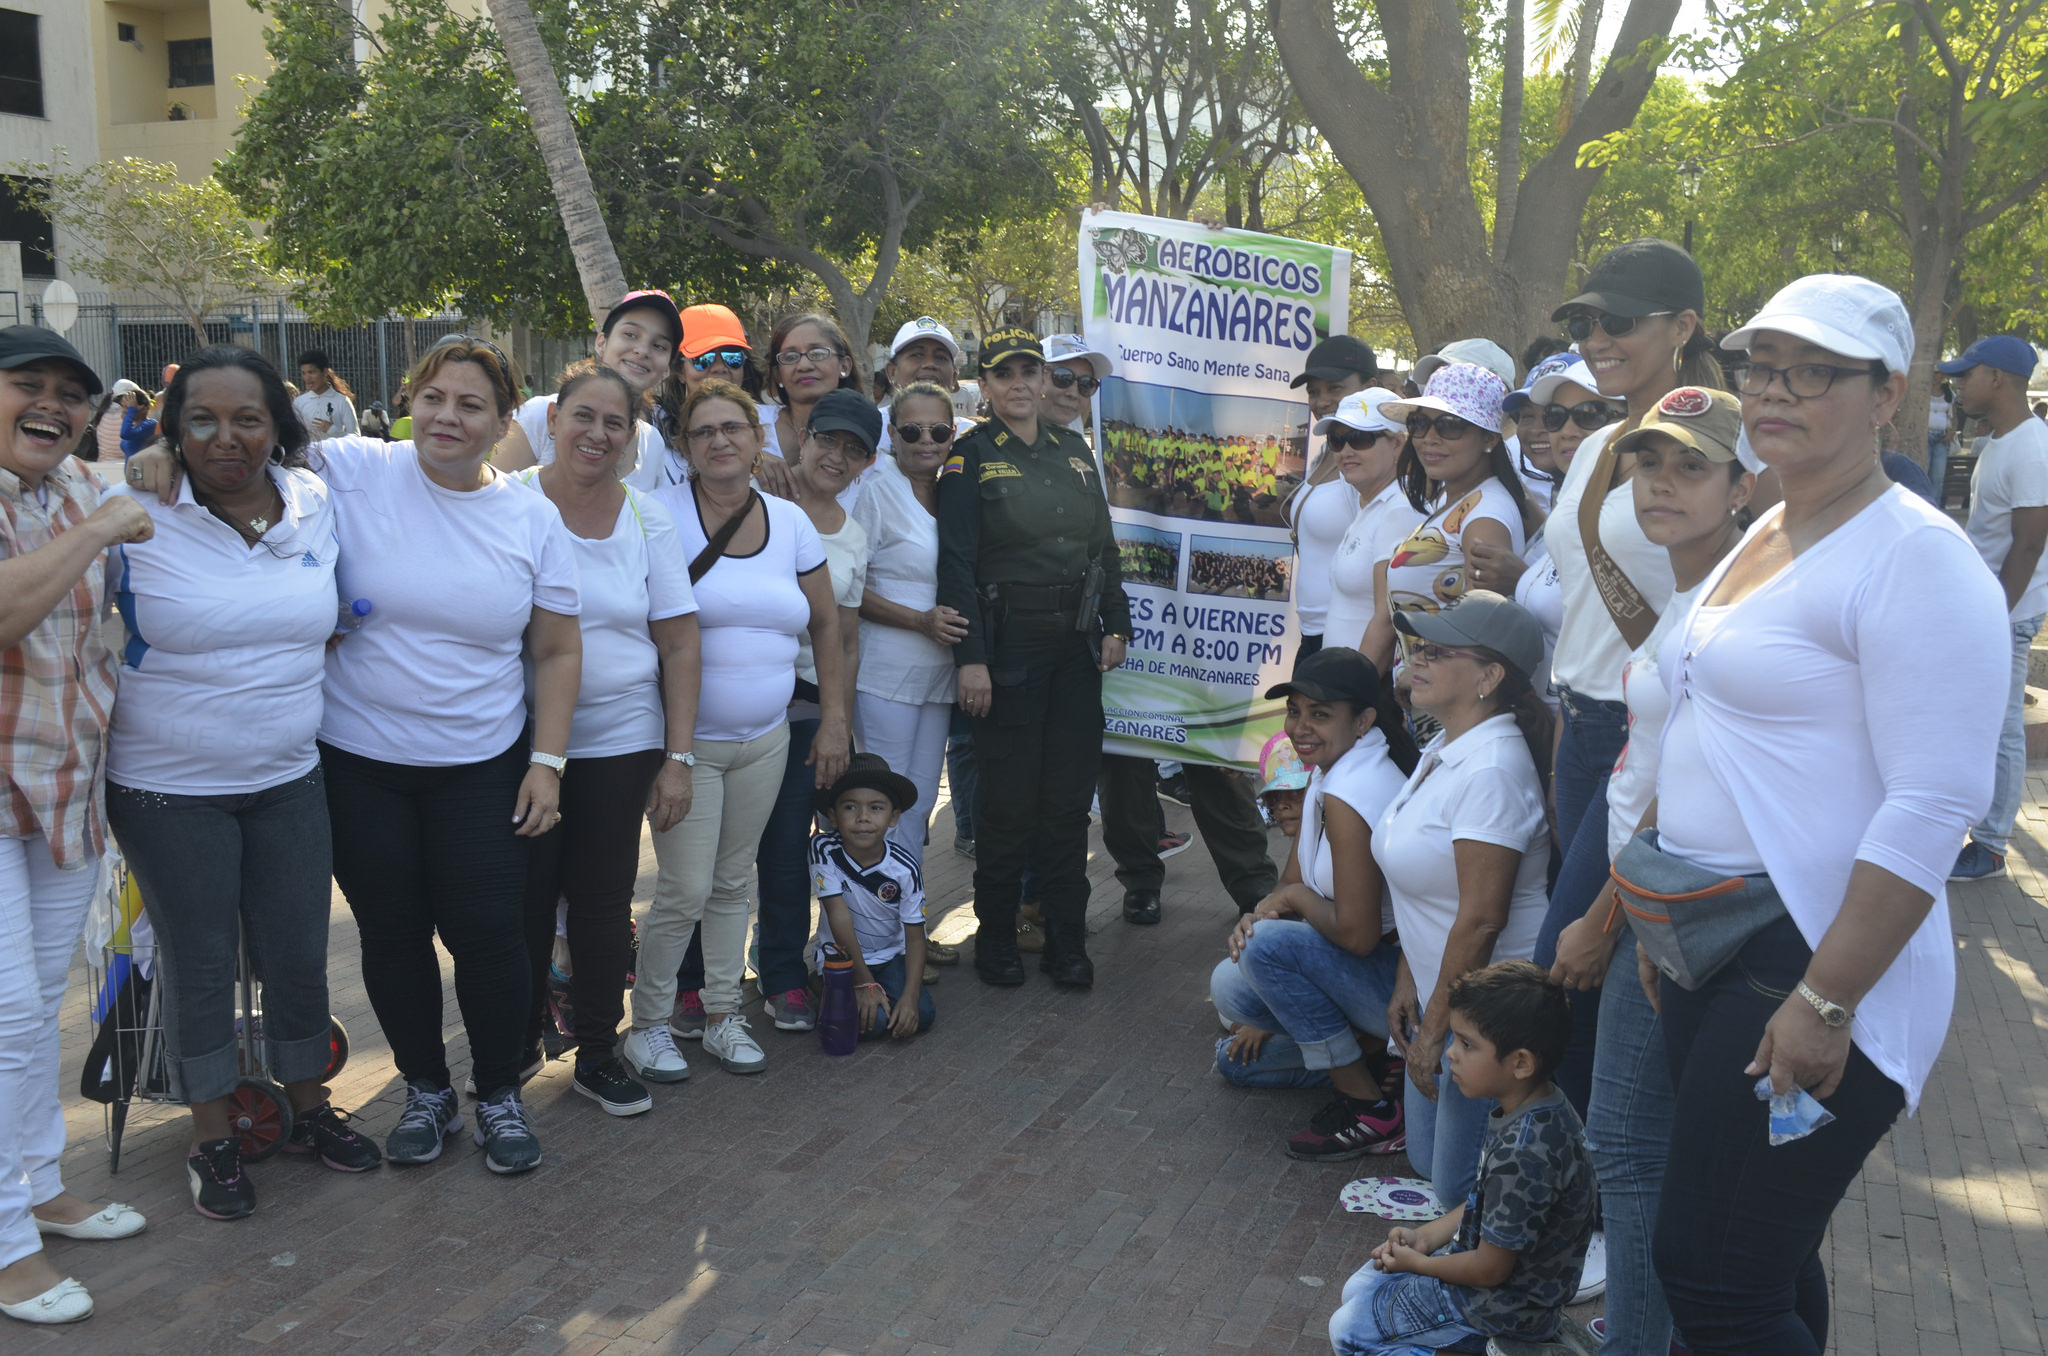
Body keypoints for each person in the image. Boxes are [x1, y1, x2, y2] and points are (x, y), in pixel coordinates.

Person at [1631, 275, 2007, 1355]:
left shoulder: (1915, 558)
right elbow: (1698, 717)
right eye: (1760, 368)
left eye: (1814, 371)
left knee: (1709, 1276)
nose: (1775, 392)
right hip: (1712, 936)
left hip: (1810, 953)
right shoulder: (1766, 525)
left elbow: (1937, 800)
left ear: (1885, 394)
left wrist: (1825, 1000)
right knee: (1762, 1256)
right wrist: (1658, 908)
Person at [125, 337, 586, 1174]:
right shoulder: (354, 467)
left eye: (472, 404)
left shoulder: (530, 517)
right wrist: (157, 451)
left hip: (481, 760)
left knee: (487, 934)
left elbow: (556, 650)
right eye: (435, 397)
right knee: (393, 933)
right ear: (413, 399)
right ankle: (425, 1090)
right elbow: (239, 444)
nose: (449, 417)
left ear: (504, 420)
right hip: (357, 758)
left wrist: (547, 761)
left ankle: (500, 1096)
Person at [106, 348, 385, 1221]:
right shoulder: (132, 507)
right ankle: (213, 1139)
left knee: (299, 951)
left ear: (279, 425)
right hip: (165, 786)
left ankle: (310, 1111)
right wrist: (132, 461)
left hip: (289, 776)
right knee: (199, 964)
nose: (226, 438)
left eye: (247, 419)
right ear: (174, 428)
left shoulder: (313, 501)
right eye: (202, 420)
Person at [1546, 386, 1755, 1356]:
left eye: (1691, 466)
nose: (1660, 483)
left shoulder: (1731, 606)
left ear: (1742, 485)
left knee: (1633, 1151)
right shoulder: (1691, 594)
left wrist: (1603, 915)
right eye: (1647, 463)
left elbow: (1693, 786)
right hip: (1653, 898)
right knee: (1662, 1154)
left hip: (1672, 907)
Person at [1535, 238, 1735, 1117]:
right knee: (1593, 969)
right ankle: (1588, 1176)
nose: (1596, 337)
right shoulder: (1597, 439)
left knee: (1567, 960)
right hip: (1577, 722)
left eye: (1617, 321)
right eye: (1584, 321)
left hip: (1644, 735)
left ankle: (1587, 1184)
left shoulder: (1723, 444)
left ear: (1683, 325)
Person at [0, 328, 153, 1327]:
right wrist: (99, 530)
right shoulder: (83, 517)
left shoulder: (71, 490)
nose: (49, 405)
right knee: (5, 1023)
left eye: (69, 392)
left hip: (61, 789)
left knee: (35, 1017)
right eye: (27, 386)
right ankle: (6, 1241)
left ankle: (39, 1185)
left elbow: (160, 473)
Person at [630, 380, 847, 1079]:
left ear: (758, 441)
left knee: (730, 885)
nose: (720, 441)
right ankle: (652, 1023)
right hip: (683, 749)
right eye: (703, 432)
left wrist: (836, 717)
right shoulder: (656, 514)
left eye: (734, 428)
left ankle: (723, 1014)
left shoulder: (790, 522)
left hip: (768, 738)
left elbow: (826, 625)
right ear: (686, 447)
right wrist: (673, 754)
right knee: (684, 890)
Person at [507, 361, 701, 1117]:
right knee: (518, 905)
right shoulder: (507, 502)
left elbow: (680, 645)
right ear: (552, 418)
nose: (596, 434)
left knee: (599, 903)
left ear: (631, 437)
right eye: (582, 416)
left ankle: (596, 1051)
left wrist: (677, 758)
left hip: (622, 739)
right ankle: (509, 1051)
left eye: (614, 423)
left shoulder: (648, 517)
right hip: (517, 742)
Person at [938, 329, 1130, 989]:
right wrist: (973, 660)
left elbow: (1103, 551)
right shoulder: (968, 459)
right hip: (1008, 645)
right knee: (1008, 807)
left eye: (1030, 372)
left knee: (1068, 805)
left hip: (1074, 647)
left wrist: (1118, 625)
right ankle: (994, 943)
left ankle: (1066, 944)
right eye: (1005, 374)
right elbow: (957, 565)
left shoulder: (1075, 452)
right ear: (985, 386)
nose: (1020, 384)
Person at [1378, 592, 1553, 1208]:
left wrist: (1435, 1033)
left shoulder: (1491, 770)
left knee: (1453, 1192)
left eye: (1438, 651)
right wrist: (1407, 975)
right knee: (1427, 1162)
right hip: (1445, 996)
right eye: (1416, 648)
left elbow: (1480, 921)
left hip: (1488, 1016)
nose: (1417, 661)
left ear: (1489, 677)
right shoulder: (1446, 747)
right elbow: (1425, 887)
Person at [1327, 961, 1596, 1356]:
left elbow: (1490, 1269)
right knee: (1361, 1288)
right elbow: (1484, 1200)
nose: (1450, 1053)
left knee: (1347, 1331)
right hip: (1488, 1289)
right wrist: (1425, 1236)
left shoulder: (1526, 1152)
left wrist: (1420, 1265)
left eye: (1467, 1044)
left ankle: (1506, 1348)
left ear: (1521, 1062)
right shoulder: (1538, 1106)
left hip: (1500, 1308)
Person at [1214, 648, 1420, 1158]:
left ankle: (1369, 1106)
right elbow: (1290, 881)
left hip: (1400, 985)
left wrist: (1288, 902)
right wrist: (1260, 911)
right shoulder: (1333, 768)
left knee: (1262, 954)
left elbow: (1357, 934)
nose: (1300, 727)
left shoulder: (1354, 788)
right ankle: (1369, 1053)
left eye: (1320, 714)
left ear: (1364, 719)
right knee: (1231, 994)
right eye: (1295, 711)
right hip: (1363, 971)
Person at [733, 387, 874, 1034]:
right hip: (744, 699)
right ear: (802, 438)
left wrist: (838, 724)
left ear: (868, 463)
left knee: (796, 844)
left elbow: (842, 638)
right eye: (826, 441)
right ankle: (703, 976)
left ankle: (787, 971)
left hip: (812, 709)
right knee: (741, 845)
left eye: (853, 451)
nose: (835, 458)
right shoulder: (756, 505)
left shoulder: (854, 536)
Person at [852, 382, 967, 879]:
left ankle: (904, 921)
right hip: (884, 675)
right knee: (877, 807)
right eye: (912, 430)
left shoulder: (954, 491)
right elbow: (848, 591)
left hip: (939, 676)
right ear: (891, 434)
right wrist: (920, 620)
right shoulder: (876, 491)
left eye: (938, 430)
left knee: (916, 805)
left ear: (953, 434)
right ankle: (855, 936)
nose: (926, 440)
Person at [1943, 335, 2048, 882]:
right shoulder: (2003, 441)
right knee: (1987, 723)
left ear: (1998, 380)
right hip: (1990, 607)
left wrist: (1995, 614)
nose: (1960, 383)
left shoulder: (2031, 447)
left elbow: (2029, 543)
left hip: (2007, 612)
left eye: (1968, 374)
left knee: (2003, 728)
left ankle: (1990, 845)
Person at [1366, 363, 1539, 680]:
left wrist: (1414, 676)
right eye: (1419, 423)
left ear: (1489, 438)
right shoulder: (1456, 501)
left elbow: (1481, 634)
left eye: (1450, 425)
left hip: (1449, 704)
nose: (1429, 438)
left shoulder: (1486, 515)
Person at [1211, 733, 1332, 1091]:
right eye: (1274, 798)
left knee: (1232, 1061)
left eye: (1294, 794)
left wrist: (1268, 1020)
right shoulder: (1308, 838)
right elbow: (1278, 900)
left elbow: (1349, 943)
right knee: (1229, 991)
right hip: (1319, 977)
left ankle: (1361, 1067)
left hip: (1348, 986)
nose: (1281, 806)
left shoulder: (1342, 832)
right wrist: (1257, 918)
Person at [494, 291, 685, 491]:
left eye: (659, 346)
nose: (642, 350)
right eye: (630, 335)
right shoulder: (537, 416)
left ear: (667, 369)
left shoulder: (652, 443)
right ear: (601, 342)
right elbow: (491, 503)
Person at [812, 752, 934, 1040]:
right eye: (850, 807)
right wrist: (865, 982)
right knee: (874, 1025)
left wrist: (910, 996)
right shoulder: (823, 850)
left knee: (922, 1014)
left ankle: (871, 995)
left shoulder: (905, 868)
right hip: (841, 957)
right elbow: (838, 916)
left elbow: (916, 937)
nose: (863, 818)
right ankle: (821, 984)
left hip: (890, 956)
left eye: (876, 808)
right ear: (833, 815)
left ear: (893, 817)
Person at [1288, 334, 1381, 659]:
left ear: (1370, 386)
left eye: (1335, 388)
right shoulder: (1331, 450)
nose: (1321, 400)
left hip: (1349, 640)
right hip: (1315, 635)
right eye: (1314, 391)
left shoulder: (1367, 459)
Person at [1315, 389, 1411, 654]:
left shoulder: (1400, 509)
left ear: (1398, 444)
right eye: (1336, 440)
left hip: (1362, 687)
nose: (1345, 451)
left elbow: (1387, 618)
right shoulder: (1372, 504)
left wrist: (1353, 688)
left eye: (1360, 438)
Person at [763, 313, 863, 466]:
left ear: (844, 366)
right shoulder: (750, 422)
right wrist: (754, 458)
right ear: (777, 375)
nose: (804, 366)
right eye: (790, 357)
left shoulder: (869, 435)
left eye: (817, 353)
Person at [293, 350, 359, 439]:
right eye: (304, 373)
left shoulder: (342, 401)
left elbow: (356, 438)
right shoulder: (299, 403)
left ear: (325, 372)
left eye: (311, 372)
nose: (307, 378)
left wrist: (332, 430)